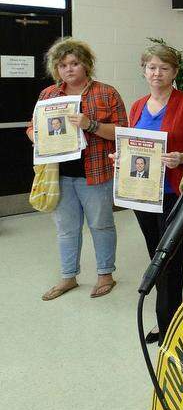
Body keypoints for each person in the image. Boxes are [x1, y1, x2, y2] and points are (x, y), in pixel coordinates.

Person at [126, 43, 183, 343]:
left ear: (175, 72)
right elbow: (134, 145)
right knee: (155, 256)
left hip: (174, 194)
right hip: (143, 194)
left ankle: (168, 325)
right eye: (151, 67)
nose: (157, 73)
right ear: (144, 70)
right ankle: (168, 319)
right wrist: (121, 158)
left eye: (164, 68)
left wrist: (181, 157)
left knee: (170, 261)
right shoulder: (137, 106)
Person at [28, 37, 127, 301]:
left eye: (74, 63)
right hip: (60, 175)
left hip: (96, 173)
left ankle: (105, 274)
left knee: (101, 225)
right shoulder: (48, 94)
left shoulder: (107, 93)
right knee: (66, 229)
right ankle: (68, 276)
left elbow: (122, 132)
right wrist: (37, 136)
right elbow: (32, 127)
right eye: (62, 65)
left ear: (86, 64)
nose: (68, 69)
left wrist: (90, 124)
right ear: (56, 69)